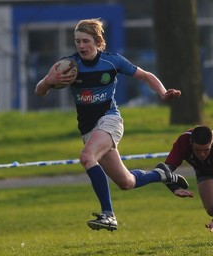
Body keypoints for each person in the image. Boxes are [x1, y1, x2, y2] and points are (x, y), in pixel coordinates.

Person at [35, 18, 188, 232]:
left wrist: (163, 93)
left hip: (110, 120)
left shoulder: (112, 62)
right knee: (126, 182)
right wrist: (47, 81)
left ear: (98, 41)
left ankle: (108, 214)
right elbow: (40, 91)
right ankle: (162, 174)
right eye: (77, 41)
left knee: (87, 157)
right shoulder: (69, 65)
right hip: (89, 130)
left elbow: (145, 75)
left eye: (86, 41)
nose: (81, 46)